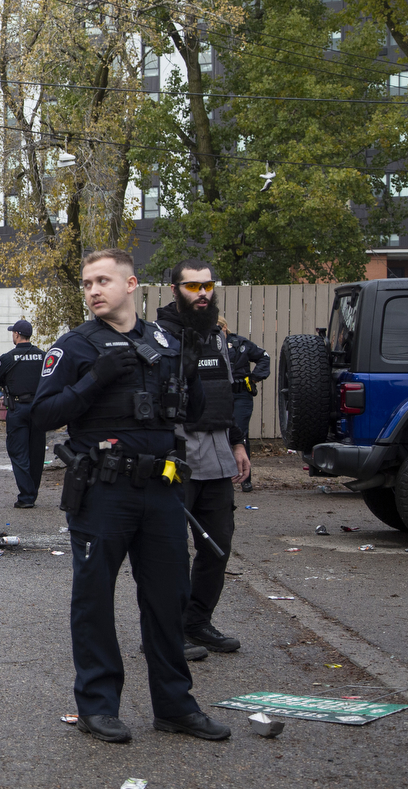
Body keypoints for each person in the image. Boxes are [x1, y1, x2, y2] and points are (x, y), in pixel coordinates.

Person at [31, 248, 229, 744]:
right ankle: (99, 706)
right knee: (94, 599)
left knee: (168, 599)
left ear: (131, 284)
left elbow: (196, 410)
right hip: (103, 491)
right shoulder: (75, 345)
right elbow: (40, 414)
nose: (94, 290)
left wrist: (191, 362)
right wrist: (97, 378)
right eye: (87, 283)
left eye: (103, 281)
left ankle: (175, 706)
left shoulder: (165, 340)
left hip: (162, 489)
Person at [156, 261, 251, 656]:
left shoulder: (216, 334)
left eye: (208, 284)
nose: (203, 292)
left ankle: (196, 622)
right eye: (193, 285)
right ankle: (163, 633)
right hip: (176, 454)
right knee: (168, 552)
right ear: (175, 289)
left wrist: (238, 442)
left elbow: (227, 392)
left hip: (218, 451)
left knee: (218, 545)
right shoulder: (158, 336)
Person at [0, 319, 48, 508]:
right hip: (39, 409)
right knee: (37, 453)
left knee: (18, 452)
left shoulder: (7, 358)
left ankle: (27, 496)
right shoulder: (43, 356)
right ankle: (32, 493)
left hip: (17, 408)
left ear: (16, 335)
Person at [222, 317, 269, 493]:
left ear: (225, 327)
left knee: (240, 433)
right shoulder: (208, 344)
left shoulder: (240, 343)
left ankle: (245, 478)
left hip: (241, 394)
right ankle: (227, 477)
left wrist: (255, 377)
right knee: (223, 433)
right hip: (221, 394)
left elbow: (264, 357)